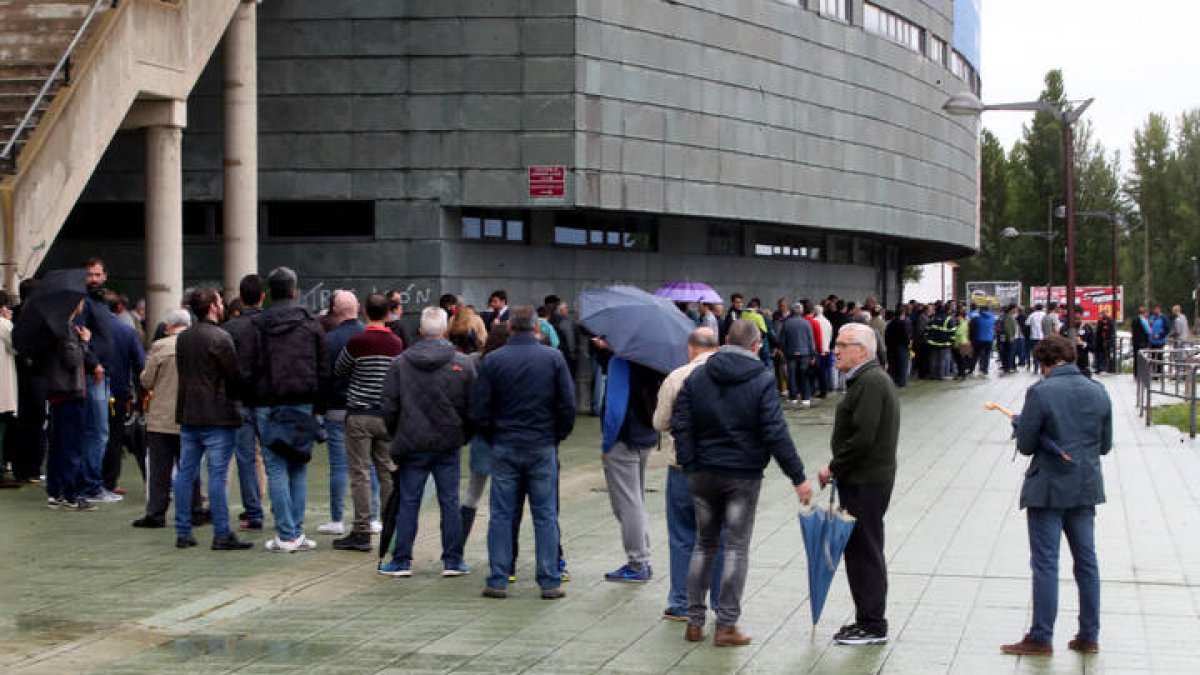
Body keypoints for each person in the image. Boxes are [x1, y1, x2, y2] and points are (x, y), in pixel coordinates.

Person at [672, 319, 813, 646]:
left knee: (703, 545)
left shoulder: (697, 376)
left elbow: (681, 423)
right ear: (755, 346)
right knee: (735, 547)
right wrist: (798, 477)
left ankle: (694, 621)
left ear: (724, 340)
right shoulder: (762, 380)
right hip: (743, 476)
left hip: (703, 473)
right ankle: (726, 626)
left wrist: (690, 463)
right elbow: (774, 431)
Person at [1001, 335, 1112, 656]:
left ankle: (1041, 636)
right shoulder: (1098, 392)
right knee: (1087, 562)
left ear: (1044, 362)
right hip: (1086, 485)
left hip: (1048, 487)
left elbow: (1026, 445)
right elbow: (1104, 446)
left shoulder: (1041, 392)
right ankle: (1089, 635)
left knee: (1046, 563)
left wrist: (1023, 426)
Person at [473, 305, 575, 600]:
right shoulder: (553, 358)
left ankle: (498, 579)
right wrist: (556, 435)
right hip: (542, 444)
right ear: (536, 328)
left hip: (505, 444)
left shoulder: (493, 360)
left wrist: (494, 435)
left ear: (509, 328)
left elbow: (480, 407)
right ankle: (549, 580)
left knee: (501, 514)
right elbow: (567, 405)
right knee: (545, 515)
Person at [817, 323, 900, 646]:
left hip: (866, 480)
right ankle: (868, 619)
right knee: (862, 549)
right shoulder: (868, 380)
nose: (834, 349)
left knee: (865, 551)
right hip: (865, 477)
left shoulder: (871, 382)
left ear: (862, 350)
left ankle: (872, 624)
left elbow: (863, 436)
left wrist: (833, 467)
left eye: (842, 344)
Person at [377, 307, 476, 576]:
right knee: (449, 501)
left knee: (409, 501)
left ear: (421, 331)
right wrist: (463, 435)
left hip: (412, 442)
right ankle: (453, 560)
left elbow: (389, 406)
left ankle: (401, 560)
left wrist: (397, 434)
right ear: (445, 330)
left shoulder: (400, 363)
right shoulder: (463, 364)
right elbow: (472, 408)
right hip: (448, 441)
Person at [242, 267, 330, 553]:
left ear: (269, 292)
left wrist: (252, 399)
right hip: (302, 403)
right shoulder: (311, 324)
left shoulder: (256, 326)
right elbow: (323, 367)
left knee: (275, 468)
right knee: (298, 466)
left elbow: (247, 368)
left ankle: (286, 534)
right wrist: (319, 405)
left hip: (268, 404)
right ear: (294, 290)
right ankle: (297, 531)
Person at [652, 327, 723, 623]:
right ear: (716, 348)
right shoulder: (732, 376)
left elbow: (660, 422)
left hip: (683, 467)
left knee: (683, 535)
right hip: (722, 468)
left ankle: (681, 602)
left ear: (691, 348)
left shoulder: (677, 377)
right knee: (719, 536)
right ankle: (721, 603)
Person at [173, 288, 253, 551]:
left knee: (186, 473)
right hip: (217, 414)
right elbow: (233, 376)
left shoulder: (183, 338)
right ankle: (222, 533)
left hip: (189, 413)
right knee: (216, 477)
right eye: (218, 302)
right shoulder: (220, 337)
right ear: (212, 307)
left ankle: (183, 531)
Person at [331, 293, 403, 553]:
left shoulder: (357, 341)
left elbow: (339, 369)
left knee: (360, 473)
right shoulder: (396, 343)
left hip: (359, 414)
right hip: (385, 415)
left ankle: (361, 531)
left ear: (365, 313)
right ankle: (391, 527)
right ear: (387, 314)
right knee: (386, 472)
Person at [597, 339, 665, 584]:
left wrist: (607, 442)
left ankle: (638, 562)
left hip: (623, 439)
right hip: (646, 436)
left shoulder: (621, 362)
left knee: (626, 504)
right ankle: (641, 557)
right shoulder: (652, 361)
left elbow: (615, 407)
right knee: (636, 499)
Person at [133, 309, 204, 529]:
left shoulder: (160, 347)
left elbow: (146, 381)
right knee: (190, 467)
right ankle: (194, 510)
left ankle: (156, 513)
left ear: (169, 326)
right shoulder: (199, 345)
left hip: (162, 417)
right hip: (191, 415)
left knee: (160, 469)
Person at [221, 275, 268, 532]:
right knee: (271, 458)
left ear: (240, 297)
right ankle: (279, 512)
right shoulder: (271, 325)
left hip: (239, 399)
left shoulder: (229, 329)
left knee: (245, 458)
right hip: (268, 399)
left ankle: (254, 512)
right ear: (262, 296)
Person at [317, 290, 366, 536]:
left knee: (338, 465)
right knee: (366, 464)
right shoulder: (370, 336)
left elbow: (324, 377)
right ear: (357, 306)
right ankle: (373, 516)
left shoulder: (329, 340)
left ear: (335, 310)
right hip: (366, 408)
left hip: (336, 408)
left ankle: (337, 518)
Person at [78, 257, 119, 504]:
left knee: (97, 431)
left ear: (105, 276)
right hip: (95, 373)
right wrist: (95, 363)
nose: (93, 279)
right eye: (89, 274)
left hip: (101, 372)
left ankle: (93, 484)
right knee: (97, 431)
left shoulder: (99, 302)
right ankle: (92, 486)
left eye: (97, 274)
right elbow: (81, 338)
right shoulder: (86, 303)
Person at [101, 290, 146, 495]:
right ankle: (109, 481)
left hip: (90, 388)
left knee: (92, 435)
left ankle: (89, 478)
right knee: (114, 436)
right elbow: (140, 363)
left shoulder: (88, 329)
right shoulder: (126, 332)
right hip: (118, 391)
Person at [779, 302, 816, 407]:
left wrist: (784, 351)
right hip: (805, 353)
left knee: (792, 376)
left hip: (790, 353)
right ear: (802, 311)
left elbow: (782, 341)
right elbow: (810, 340)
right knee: (804, 375)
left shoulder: (786, 323)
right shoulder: (806, 323)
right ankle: (806, 398)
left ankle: (793, 398)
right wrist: (812, 355)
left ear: (791, 311)